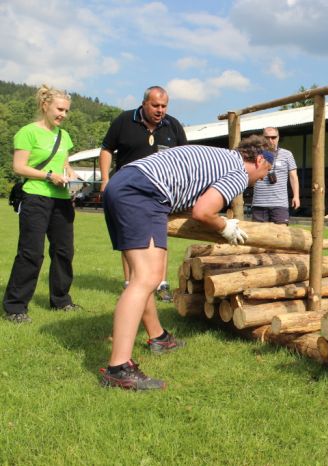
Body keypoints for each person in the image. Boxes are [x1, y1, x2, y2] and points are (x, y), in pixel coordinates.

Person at [100, 136, 274, 390]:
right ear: (259, 160)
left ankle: (158, 337)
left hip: (126, 183)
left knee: (145, 275)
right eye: (265, 172)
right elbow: (203, 212)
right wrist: (225, 226)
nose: (260, 180)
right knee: (147, 278)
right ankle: (118, 368)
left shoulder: (221, 158)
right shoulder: (237, 171)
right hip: (141, 192)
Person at [99, 86, 187, 302]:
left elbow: (185, 157)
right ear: (144, 103)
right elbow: (106, 149)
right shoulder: (124, 121)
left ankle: (161, 284)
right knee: (130, 237)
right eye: (155, 105)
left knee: (159, 237)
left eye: (164, 106)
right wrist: (105, 180)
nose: (160, 110)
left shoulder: (173, 125)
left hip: (162, 192)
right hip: (128, 191)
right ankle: (130, 282)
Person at [3, 85, 82, 323]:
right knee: (31, 253)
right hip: (35, 196)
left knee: (64, 251)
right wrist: (49, 175)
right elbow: (18, 167)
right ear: (45, 106)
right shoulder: (28, 132)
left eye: (66, 111)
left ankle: (61, 300)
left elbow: (65, 166)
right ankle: (15, 307)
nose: (63, 115)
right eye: (60, 109)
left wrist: (75, 178)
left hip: (62, 199)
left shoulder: (64, 136)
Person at [251, 127, 300, 224]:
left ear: (278, 137)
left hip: (279, 203)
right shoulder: (256, 154)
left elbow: (293, 176)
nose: (270, 140)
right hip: (259, 203)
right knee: (259, 237)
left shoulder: (287, 154)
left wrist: (296, 196)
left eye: (273, 137)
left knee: (281, 235)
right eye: (267, 137)